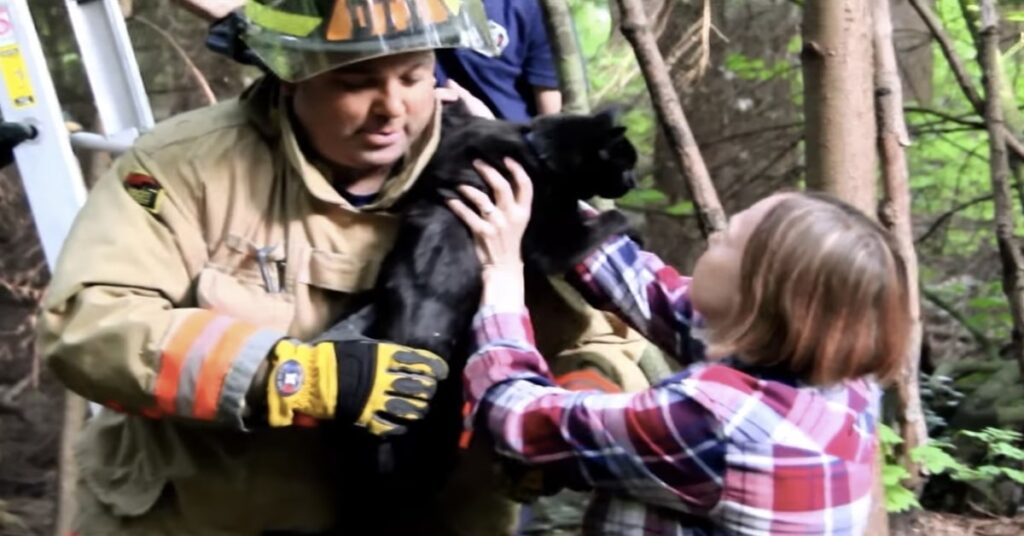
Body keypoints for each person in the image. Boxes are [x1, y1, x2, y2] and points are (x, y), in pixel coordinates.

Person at [37, 1, 649, 534]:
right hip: (210, 516)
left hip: (432, 519)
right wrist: (288, 375)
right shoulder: (184, 167)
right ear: (289, 72)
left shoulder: (501, 171)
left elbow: (597, 344)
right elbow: (90, 321)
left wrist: (565, 426)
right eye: (357, 80)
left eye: (414, 75)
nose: (393, 107)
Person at [446, 166, 912, 535]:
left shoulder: (713, 422)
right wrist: (532, 182)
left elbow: (515, 418)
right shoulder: (841, 377)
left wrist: (502, 273)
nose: (713, 237)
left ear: (760, 295)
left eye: (729, 239)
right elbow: (653, 293)